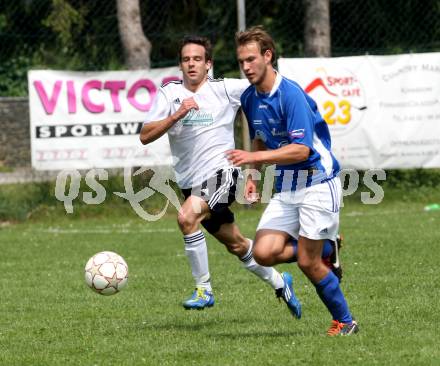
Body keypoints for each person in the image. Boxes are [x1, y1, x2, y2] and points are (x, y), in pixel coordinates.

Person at [139, 35, 301, 317]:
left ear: (208, 64)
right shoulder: (169, 94)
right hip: (190, 182)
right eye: (186, 59)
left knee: (186, 218)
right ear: (180, 65)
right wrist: (176, 115)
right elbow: (145, 136)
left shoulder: (226, 89)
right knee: (236, 244)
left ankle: (204, 289)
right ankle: (280, 282)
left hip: (222, 174)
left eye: (197, 59)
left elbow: (265, 83)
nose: (192, 64)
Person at [227, 26, 358, 335]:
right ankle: (328, 247)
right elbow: (259, 138)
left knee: (307, 263)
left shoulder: (291, 94)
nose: (245, 68)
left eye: (251, 59)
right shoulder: (250, 98)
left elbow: (301, 150)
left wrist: (253, 159)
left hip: (318, 182)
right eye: (241, 61)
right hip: (287, 186)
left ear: (267, 56)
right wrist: (253, 178)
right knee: (263, 252)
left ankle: (345, 321)